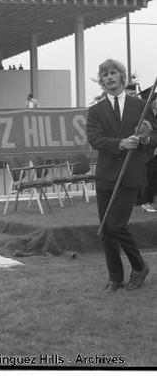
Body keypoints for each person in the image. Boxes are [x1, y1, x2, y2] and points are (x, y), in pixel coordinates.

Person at [86, 58, 156, 293]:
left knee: (116, 225)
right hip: (106, 176)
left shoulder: (141, 105)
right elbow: (95, 139)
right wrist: (121, 143)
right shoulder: (96, 110)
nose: (109, 77)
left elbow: (153, 139)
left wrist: (145, 137)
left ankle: (140, 266)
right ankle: (115, 278)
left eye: (113, 73)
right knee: (106, 231)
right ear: (101, 81)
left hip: (130, 175)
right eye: (105, 75)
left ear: (122, 77)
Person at [141, 93, 157, 212]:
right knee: (148, 177)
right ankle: (145, 202)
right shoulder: (146, 115)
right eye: (155, 100)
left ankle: (151, 201)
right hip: (148, 152)